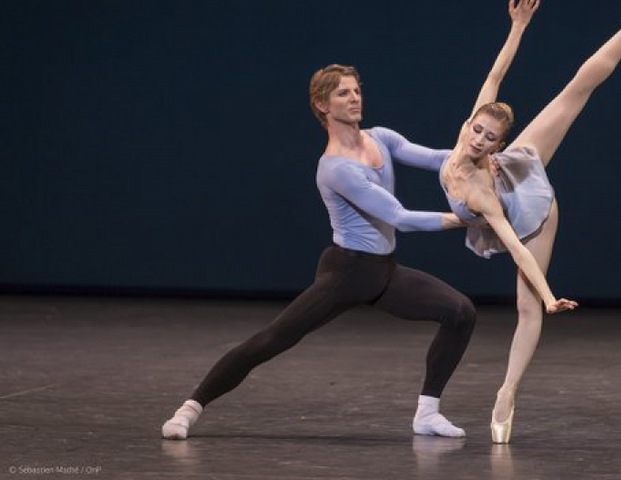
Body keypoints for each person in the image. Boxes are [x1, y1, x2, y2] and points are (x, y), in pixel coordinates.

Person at [161, 64, 477, 440]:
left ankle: (427, 413)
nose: (354, 97)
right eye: (343, 93)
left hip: (384, 273)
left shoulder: (382, 138)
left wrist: (483, 156)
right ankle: (189, 409)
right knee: (271, 340)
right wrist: (469, 218)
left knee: (460, 312)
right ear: (322, 104)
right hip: (346, 273)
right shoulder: (334, 169)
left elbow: (439, 159)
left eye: (357, 90)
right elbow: (400, 217)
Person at [439, 0, 621, 443]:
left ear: (497, 145)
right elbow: (494, 76)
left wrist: (546, 294)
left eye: (488, 138)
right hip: (505, 197)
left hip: (533, 212)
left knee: (573, 93)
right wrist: (517, 27)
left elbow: (519, 253)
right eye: (476, 130)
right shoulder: (468, 149)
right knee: (562, 96)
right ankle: (510, 385)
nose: (479, 139)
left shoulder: (487, 175)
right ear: (468, 125)